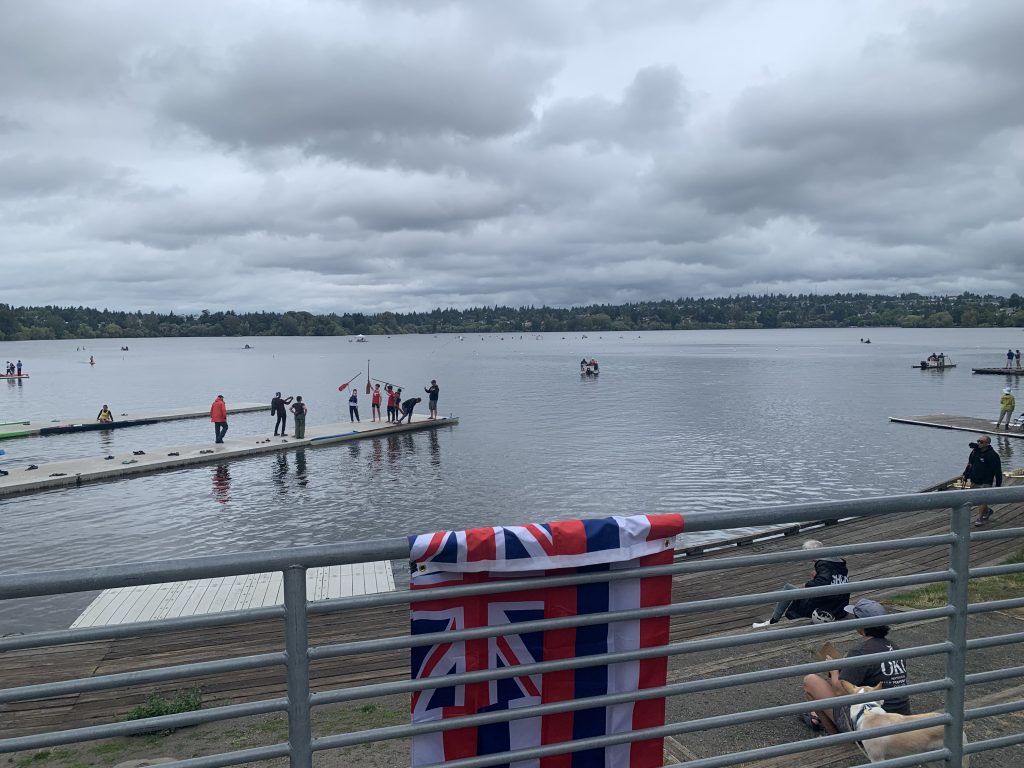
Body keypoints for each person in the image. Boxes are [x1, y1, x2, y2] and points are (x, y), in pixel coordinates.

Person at [801, 599, 909, 734]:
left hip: (872, 721)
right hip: (900, 717)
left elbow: (840, 691)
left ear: (861, 625)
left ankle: (837, 737)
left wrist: (833, 670)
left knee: (810, 681)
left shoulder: (860, 652)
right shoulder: (894, 647)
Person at [752, 540, 850, 627]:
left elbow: (822, 582)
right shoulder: (838, 562)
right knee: (795, 591)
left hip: (826, 607)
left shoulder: (823, 564)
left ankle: (773, 621)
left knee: (788, 589)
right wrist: (817, 576)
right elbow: (833, 581)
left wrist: (809, 582)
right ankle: (772, 620)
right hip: (839, 608)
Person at [963, 434, 1002, 526]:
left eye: (981, 442)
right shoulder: (974, 452)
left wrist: (998, 485)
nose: (979, 443)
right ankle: (987, 511)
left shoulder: (993, 455)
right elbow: (970, 463)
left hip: (986, 481)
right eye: (978, 441)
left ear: (987, 444)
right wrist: (965, 474)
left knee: (983, 499)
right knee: (975, 499)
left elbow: (997, 471)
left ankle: (980, 518)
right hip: (974, 479)